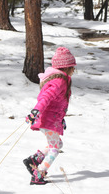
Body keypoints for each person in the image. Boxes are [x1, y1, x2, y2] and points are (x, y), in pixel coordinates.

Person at [23, 47, 76, 185]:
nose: (74, 70)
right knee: (55, 148)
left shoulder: (62, 80)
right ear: (66, 67)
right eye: (72, 67)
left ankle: (34, 160)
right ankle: (38, 173)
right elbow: (45, 98)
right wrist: (36, 111)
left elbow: (57, 104)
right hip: (47, 120)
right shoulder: (59, 82)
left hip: (51, 119)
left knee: (57, 143)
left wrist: (60, 119)